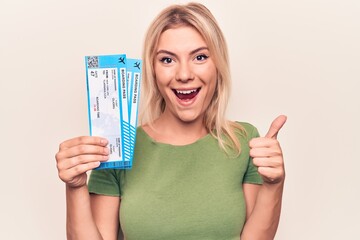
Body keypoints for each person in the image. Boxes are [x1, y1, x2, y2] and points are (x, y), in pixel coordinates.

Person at [55, 2, 287, 240]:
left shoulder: (244, 140)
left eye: (200, 57)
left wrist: (274, 184)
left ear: (217, 65)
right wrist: (74, 187)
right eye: (167, 60)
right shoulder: (119, 147)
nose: (184, 74)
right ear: (153, 70)